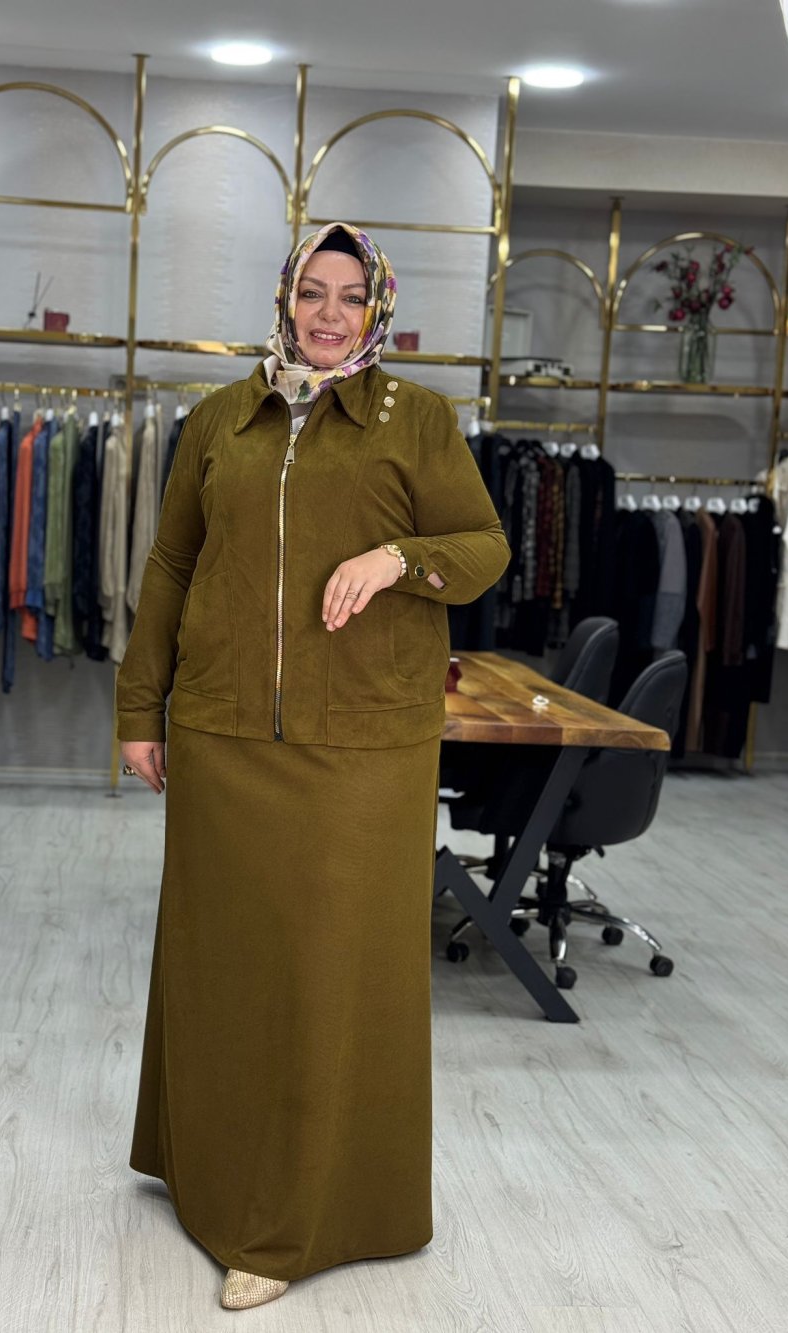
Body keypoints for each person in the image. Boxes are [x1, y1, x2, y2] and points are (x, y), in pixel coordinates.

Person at [117, 221, 510, 1311]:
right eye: (310, 291)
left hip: (361, 754)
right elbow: (172, 563)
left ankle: (282, 1227)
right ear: (284, 298)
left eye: (349, 296)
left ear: (378, 308)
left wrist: (398, 560)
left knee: (325, 979)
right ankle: (194, 1165)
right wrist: (140, 708)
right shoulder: (221, 418)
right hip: (223, 732)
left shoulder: (415, 420)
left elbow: (485, 547)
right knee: (219, 964)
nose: (328, 314)